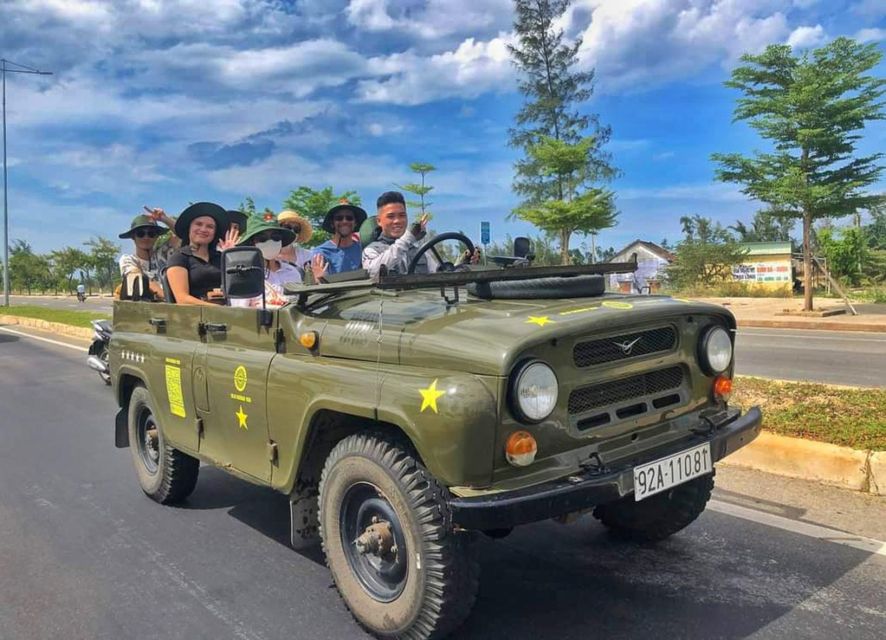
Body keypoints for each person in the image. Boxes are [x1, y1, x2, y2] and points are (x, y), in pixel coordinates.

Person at [230, 214, 328, 308]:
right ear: (252, 243)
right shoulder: (244, 276)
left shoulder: (293, 272)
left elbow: (301, 306)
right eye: (262, 239)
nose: (270, 242)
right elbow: (239, 314)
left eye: (275, 237)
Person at [165, 202, 238, 305]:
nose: (203, 229)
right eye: (198, 224)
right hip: (195, 316)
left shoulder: (221, 257)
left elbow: (238, 288)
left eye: (210, 227)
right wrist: (219, 310)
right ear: (189, 228)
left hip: (228, 312)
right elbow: (182, 299)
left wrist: (232, 256)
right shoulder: (179, 258)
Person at [117, 209, 180, 300]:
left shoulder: (164, 253)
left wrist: (165, 219)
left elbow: (184, 235)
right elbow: (142, 280)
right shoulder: (128, 259)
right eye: (140, 234)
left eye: (151, 233)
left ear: (157, 236)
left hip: (172, 305)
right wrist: (171, 299)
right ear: (133, 237)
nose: (146, 237)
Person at [311, 199, 367, 275]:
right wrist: (318, 278)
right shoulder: (321, 253)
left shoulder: (363, 250)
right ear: (332, 223)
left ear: (355, 223)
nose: (344, 221)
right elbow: (317, 282)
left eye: (349, 218)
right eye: (339, 218)